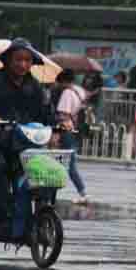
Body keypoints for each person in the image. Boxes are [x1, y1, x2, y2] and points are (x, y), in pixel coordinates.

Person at [0, 38, 55, 221]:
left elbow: (47, 111)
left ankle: (38, 213)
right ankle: (5, 213)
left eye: (27, 60)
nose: (23, 64)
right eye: (18, 59)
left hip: (21, 144)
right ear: (8, 60)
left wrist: (61, 122)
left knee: (42, 170)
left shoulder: (35, 86)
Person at [55, 70, 90, 204]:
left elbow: (63, 115)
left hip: (67, 130)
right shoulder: (79, 90)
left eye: (59, 82)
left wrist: (57, 133)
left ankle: (83, 193)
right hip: (77, 129)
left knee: (68, 164)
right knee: (65, 162)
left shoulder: (67, 93)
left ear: (63, 81)